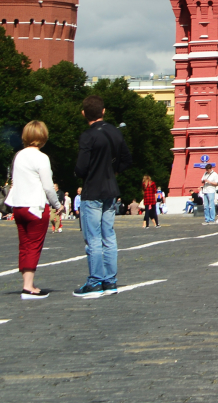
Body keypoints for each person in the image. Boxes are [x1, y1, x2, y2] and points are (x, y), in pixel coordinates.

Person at [73, 95, 130, 295]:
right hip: (111, 189)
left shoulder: (87, 136)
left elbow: (81, 167)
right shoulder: (115, 132)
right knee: (109, 236)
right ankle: (110, 280)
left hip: (92, 190)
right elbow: (126, 159)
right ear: (103, 111)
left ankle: (95, 281)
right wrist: (113, 170)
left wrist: (80, 173)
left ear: (83, 113)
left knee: (93, 238)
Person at [7, 120, 58, 299]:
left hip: (19, 205)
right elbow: (48, 187)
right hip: (35, 206)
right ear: (43, 137)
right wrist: (57, 205)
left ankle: (27, 282)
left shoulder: (18, 156)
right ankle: (28, 287)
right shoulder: (42, 157)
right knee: (34, 246)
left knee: (24, 244)